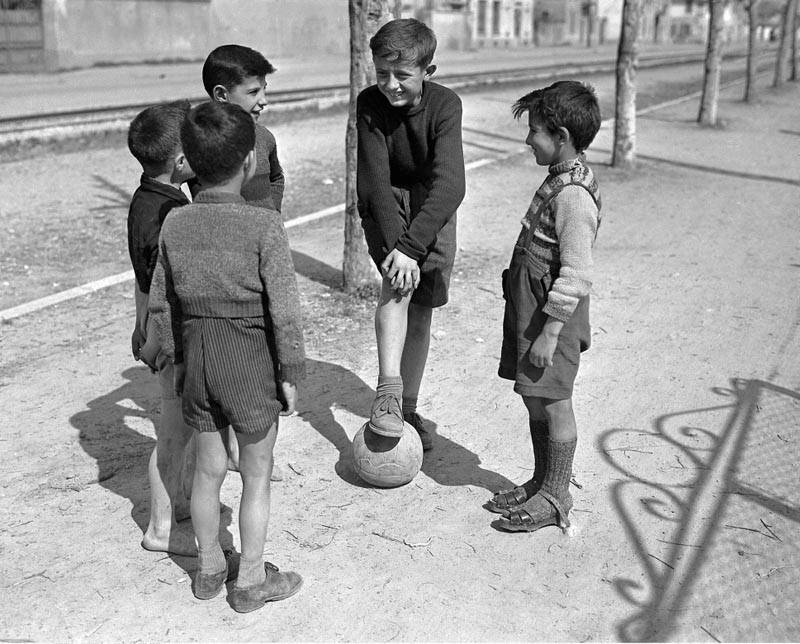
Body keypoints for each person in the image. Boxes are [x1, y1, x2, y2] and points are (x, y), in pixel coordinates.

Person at [148, 101, 305, 612]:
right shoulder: (264, 226)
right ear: (250, 163)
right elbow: (283, 311)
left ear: (187, 162)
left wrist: (174, 359)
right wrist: (291, 372)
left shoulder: (174, 224)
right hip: (249, 362)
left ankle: (211, 567)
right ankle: (252, 579)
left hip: (196, 360)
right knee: (256, 474)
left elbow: (161, 302)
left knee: (208, 471)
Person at [488, 80, 602, 533]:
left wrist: (550, 332)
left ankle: (557, 496)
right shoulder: (559, 177)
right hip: (533, 307)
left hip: (552, 317)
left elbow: (575, 273)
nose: (527, 139)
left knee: (555, 401)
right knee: (535, 397)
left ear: (561, 136)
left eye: (534, 131)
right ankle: (542, 480)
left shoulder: (574, 195)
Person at [357, 18, 465, 451]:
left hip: (432, 212)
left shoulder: (446, 106)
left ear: (427, 72)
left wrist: (414, 244)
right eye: (382, 73)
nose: (390, 84)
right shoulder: (370, 103)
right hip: (388, 210)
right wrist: (398, 248)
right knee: (396, 287)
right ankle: (387, 394)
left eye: (402, 75)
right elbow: (376, 184)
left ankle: (408, 404)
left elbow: (451, 185)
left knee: (422, 310)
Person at [196, 43, 287, 479]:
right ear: (221, 95)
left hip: (261, 262)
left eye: (264, 89)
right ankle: (228, 449)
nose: (263, 100)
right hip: (221, 276)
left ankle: (254, 452)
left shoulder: (265, 138)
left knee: (264, 351)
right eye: (253, 92)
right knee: (225, 360)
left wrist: (270, 222)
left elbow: (276, 180)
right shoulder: (201, 142)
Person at [126, 100, 197, 557]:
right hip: (171, 340)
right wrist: (154, 338)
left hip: (159, 332)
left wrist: (138, 324)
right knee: (171, 437)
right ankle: (160, 529)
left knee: (183, 430)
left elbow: (139, 275)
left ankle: (181, 503)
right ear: (180, 161)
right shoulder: (170, 215)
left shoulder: (148, 199)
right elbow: (160, 286)